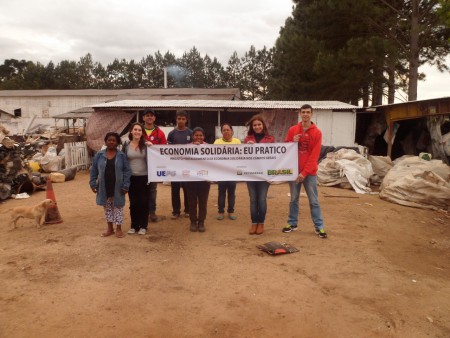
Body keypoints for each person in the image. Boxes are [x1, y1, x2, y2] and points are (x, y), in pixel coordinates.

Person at [282, 104, 327, 238]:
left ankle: (319, 227)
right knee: (294, 199)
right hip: (294, 171)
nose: (305, 114)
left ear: (311, 114)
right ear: (300, 114)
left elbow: (314, 156)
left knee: (313, 200)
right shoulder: (293, 130)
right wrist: (292, 142)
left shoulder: (317, 132)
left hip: (309, 173)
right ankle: (292, 223)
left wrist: (304, 173)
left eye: (308, 112)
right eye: (303, 112)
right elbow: (284, 149)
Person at [89, 132, 131, 238]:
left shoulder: (121, 155)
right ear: (106, 142)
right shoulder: (99, 155)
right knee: (107, 208)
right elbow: (94, 170)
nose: (111, 142)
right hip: (104, 186)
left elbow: (127, 171)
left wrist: (126, 185)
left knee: (118, 207)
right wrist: (93, 183)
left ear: (117, 143)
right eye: (109, 140)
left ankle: (119, 229)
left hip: (118, 186)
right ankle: (110, 228)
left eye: (114, 140)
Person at [244, 115, 275, 235]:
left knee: (261, 199)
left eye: (259, 124)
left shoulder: (270, 139)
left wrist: (272, 174)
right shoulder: (247, 139)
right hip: (251, 174)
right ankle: (254, 223)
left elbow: (274, 157)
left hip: (264, 175)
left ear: (263, 125)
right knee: (253, 200)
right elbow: (244, 157)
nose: (257, 127)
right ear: (252, 127)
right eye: (255, 125)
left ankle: (261, 223)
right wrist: (248, 147)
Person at [122, 122, 149, 235]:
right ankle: (134, 225)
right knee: (133, 203)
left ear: (142, 133)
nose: (137, 132)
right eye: (135, 129)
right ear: (131, 131)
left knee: (143, 202)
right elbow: (123, 161)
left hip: (144, 178)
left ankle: (143, 226)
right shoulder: (126, 145)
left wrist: (152, 146)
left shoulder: (147, 146)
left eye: (139, 130)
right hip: (131, 178)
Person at [142, 109, 167, 223]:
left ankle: (152, 212)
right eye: (147, 116)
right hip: (140, 166)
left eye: (151, 116)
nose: (149, 117)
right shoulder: (138, 131)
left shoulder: (160, 133)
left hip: (153, 167)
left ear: (154, 118)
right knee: (141, 190)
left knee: (152, 190)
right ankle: (143, 212)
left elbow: (164, 150)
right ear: (143, 118)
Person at [167, 110, 193, 219]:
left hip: (187, 166)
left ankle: (187, 210)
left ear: (186, 120)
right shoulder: (172, 134)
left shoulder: (190, 133)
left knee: (187, 189)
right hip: (175, 167)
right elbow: (167, 150)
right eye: (179, 119)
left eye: (183, 119)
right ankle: (176, 211)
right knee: (175, 189)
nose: (181, 121)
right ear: (176, 119)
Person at [184, 127, 211, 232]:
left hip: (204, 179)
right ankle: (193, 221)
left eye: (200, 135)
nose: (198, 137)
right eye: (196, 135)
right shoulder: (187, 147)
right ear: (192, 136)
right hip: (191, 179)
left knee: (203, 202)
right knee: (192, 202)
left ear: (203, 136)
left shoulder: (209, 147)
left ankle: (201, 222)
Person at [213, 122, 241, 220]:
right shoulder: (217, 142)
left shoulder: (237, 142)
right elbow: (213, 157)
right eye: (224, 130)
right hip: (221, 172)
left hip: (233, 172)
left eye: (227, 130)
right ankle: (220, 211)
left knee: (232, 193)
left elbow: (241, 156)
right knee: (221, 192)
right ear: (221, 132)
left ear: (231, 131)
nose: (226, 131)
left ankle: (231, 211)